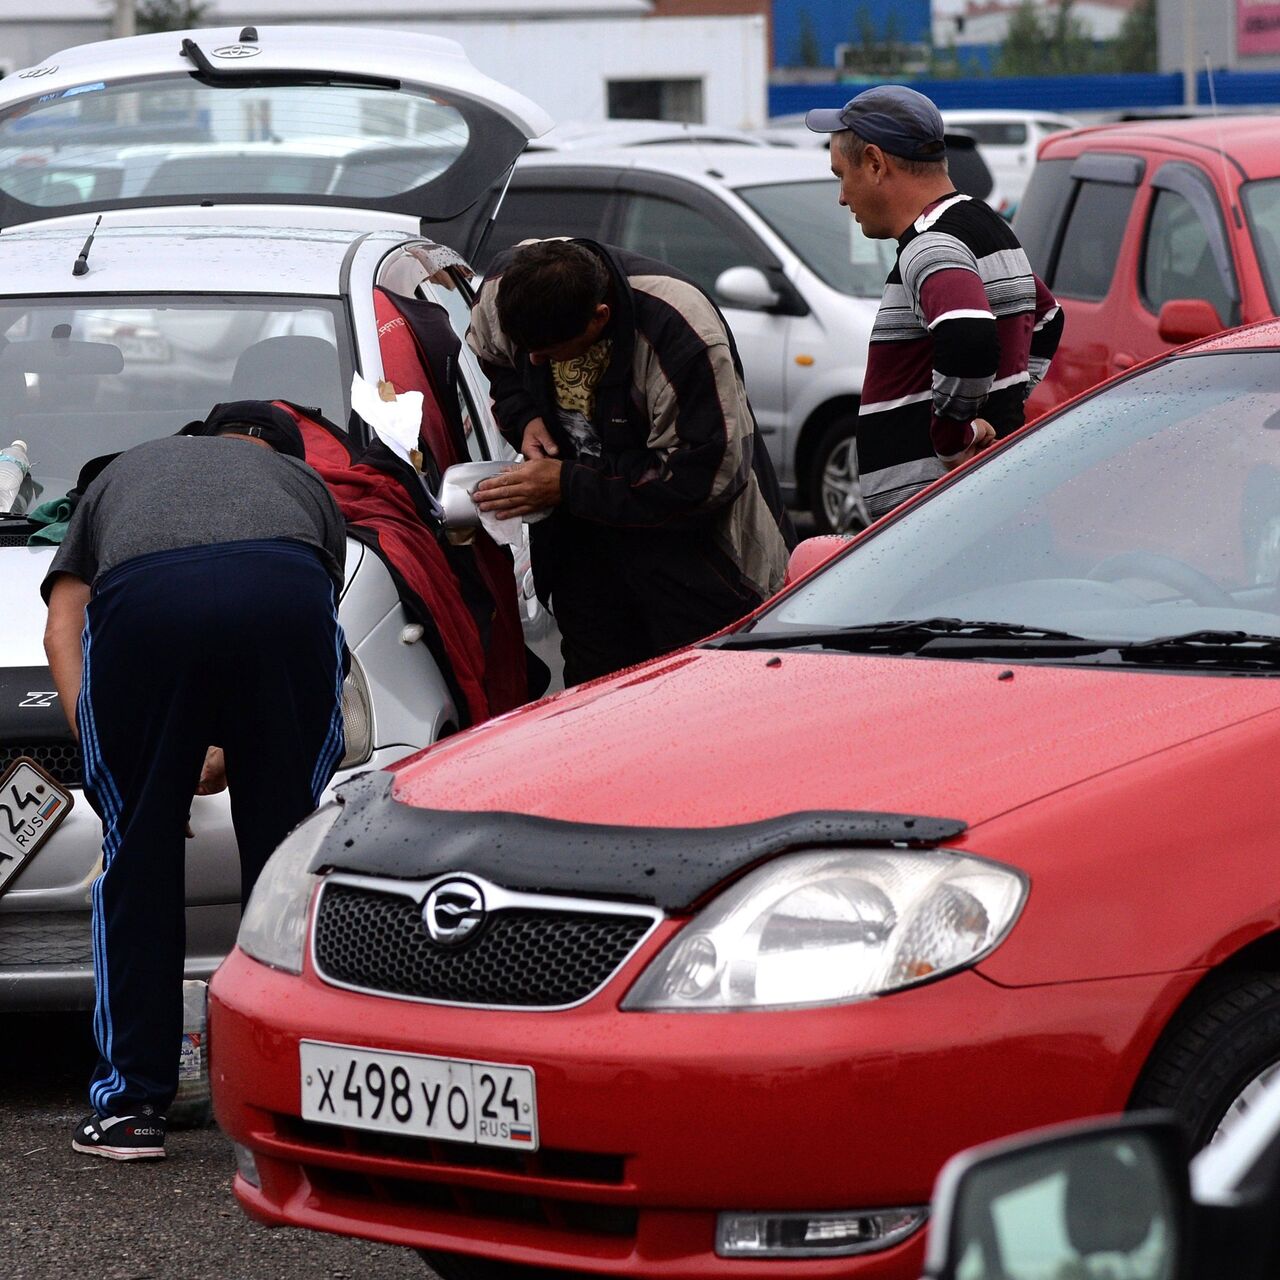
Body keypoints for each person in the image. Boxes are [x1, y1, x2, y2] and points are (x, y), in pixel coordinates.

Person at [42, 401, 348, 1161]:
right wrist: (221, 748)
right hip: (283, 587)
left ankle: (130, 1108)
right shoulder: (298, 485)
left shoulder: (125, 471)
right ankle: (302, 1102)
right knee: (289, 858)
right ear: (282, 454)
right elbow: (303, 626)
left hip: (148, 599)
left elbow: (63, 627)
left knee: (137, 862)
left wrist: (133, 772)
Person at [465, 238, 793, 685]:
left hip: (698, 566)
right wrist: (526, 415)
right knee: (599, 704)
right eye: (528, 350)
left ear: (600, 317)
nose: (537, 362)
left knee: (695, 706)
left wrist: (566, 485)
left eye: (551, 349)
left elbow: (706, 479)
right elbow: (494, 357)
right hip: (582, 556)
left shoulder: (679, 332)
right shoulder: (503, 295)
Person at [806, 85, 1064, 521]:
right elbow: (1048, 318)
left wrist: (953, 438)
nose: (842, 197)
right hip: (982, 504)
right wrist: (1002, 406)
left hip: (939, 522)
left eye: (840, 175)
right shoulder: (987, 225)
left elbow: (967, 337)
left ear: (874, 163)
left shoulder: (930, 245)